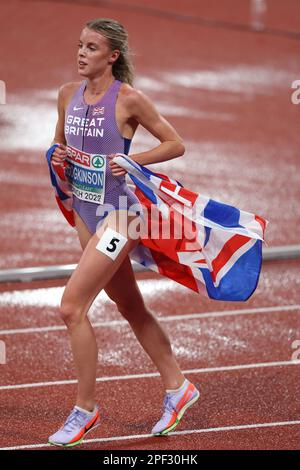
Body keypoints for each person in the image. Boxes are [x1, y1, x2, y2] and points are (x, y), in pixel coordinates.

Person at [47, 18, 199, 447]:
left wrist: (136, 161)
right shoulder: (65, 96)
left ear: (112, 56)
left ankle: (85, 410)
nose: (81, 53)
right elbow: (62, 149)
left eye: (91, 48)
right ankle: (178, 386)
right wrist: (58, 157)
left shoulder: (129, 99)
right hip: (86, 214)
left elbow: (175, 143)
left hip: (122, 216)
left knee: (71, 307)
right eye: (79, 45)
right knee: (130, 305)